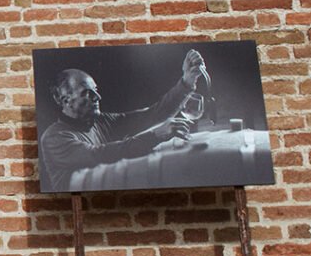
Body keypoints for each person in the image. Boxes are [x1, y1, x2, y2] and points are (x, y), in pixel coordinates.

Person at [39, 50, 208, 192]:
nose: (98, 97)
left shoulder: (100, 121)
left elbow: (152, 114)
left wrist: (187, 80)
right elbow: (99, 154)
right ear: (64, 99)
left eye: (95, 91)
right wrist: (155, 136)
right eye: (87, 93)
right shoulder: (54, 137)